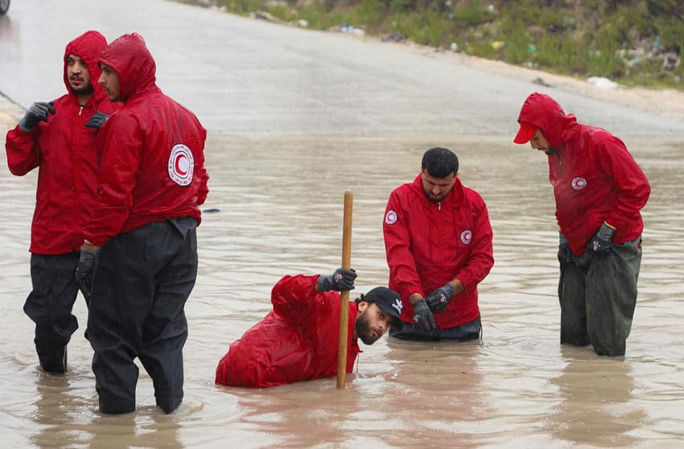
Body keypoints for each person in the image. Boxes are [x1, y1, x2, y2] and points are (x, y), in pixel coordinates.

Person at [75, 33, 209, 414]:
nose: (100, 81)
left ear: (130, 72)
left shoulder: (127, 121)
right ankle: (169, 419)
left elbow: (114, 197)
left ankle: (115, 427)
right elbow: (200, 185)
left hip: (135, 242)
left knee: (112, 336)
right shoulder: (188, 118)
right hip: (183, 243)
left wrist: (90, 247)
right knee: (166, 334)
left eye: (108, 72)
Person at [4, 30, 117, 374]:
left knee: (111, 328)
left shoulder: (120, 114)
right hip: (52, 241)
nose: (75, 69)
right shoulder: (49, 114)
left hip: (103, 243)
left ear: (101, 68)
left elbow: (140, 174)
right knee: (49, 325)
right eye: (70, 61)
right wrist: (24, 128)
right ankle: (53, 400)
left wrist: (115, 128)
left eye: (85, 63)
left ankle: (112, 400)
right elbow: (18, 166)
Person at [512, 92, 650, 356]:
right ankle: (576, 393)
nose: (533, 145)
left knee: (607, 342)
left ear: (549, 128)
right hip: (577, 246)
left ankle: (609, 390)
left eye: (535, 138)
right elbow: (567, 200)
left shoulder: (600, 142)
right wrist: (565, 237)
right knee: (572, 337)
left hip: (615, 246)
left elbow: (639, 189)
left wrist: (608, 229)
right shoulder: (554, 151)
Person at [215, 268, 403, 388]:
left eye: (387, 324)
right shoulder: (330, 304)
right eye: (380, 316)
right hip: (242, 373)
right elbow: (280, 294)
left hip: (264, 388)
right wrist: (323, 283)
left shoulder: (349, 354)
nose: (381, 326)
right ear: (363, 306)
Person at [382, 147, 494, 341]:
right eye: (430, 183)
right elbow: (398, 256)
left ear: (455, 177)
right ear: (421, 171)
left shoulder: (474, 204)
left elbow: (483, 259)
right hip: (410, 315)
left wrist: (450, 290)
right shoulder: (400, 199)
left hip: (461, 318)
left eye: (444, 185)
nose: (435, 190)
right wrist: (416, 298)